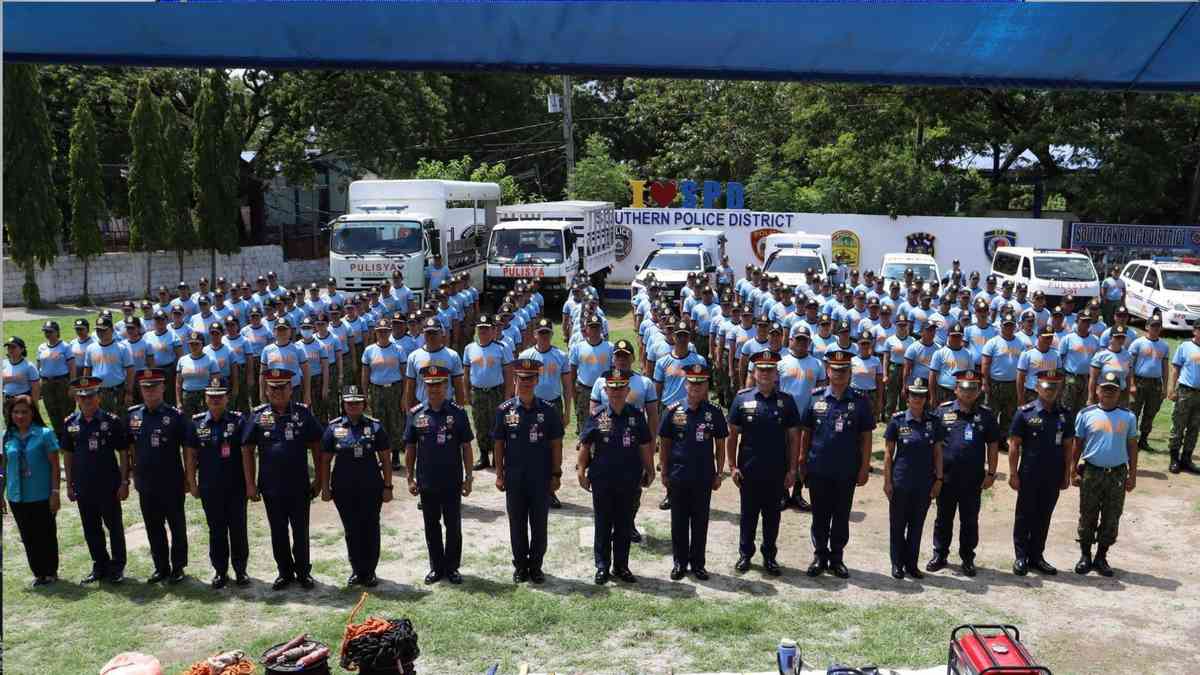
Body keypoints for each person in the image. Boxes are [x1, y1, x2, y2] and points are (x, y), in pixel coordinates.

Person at [241, 369, 323, 590]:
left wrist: (320, 479)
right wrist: (250, 483)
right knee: (278, 531)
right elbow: (247, 448)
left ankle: (304, 572)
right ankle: (284, 572)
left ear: (290, 390)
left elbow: (317, 444)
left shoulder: (303, 414)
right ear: (266, 391)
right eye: (273, 388)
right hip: (271, 486)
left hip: (299, 485)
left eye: (282, 387)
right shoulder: (258, 415)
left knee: (300, 531)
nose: (277, 392)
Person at [797, 350, 875, 578]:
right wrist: (802, 460)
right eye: (835, 370)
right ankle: (820, 555)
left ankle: (837, 557)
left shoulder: (860, 401)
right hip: (819, 467)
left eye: (844, 370)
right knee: (819, 514)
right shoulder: (815, 397)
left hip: (846, 469)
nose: (839, 374)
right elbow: (806, 432)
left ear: (850, 373)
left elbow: (866, 437)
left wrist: (864, 467)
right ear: (828, 371)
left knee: (841, 514)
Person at [578, 368, 654, 585]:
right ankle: (602, 566)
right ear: (606, 389)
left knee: (623, 524)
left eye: (621, 388)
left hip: (628, 478)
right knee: (602, 523)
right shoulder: (597, 415)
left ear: (627, 389)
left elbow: (644, 446)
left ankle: (621, 566)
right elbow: (586, 444)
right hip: (602, 478)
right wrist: (581, 470)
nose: (617, 392)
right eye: (613, 388)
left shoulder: (636, 416)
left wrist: (649, 470)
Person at [727, 351, 800, 576]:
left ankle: (769, 556)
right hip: (748, 471)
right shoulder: (742, 399)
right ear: (755, 373)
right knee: (748, 516)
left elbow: (794, 437)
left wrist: (792, 470)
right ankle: (745, 554)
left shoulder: (786, 402)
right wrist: (732, 467)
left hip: (776, 471)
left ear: (776, 373)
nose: (766, 374)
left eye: (770, 369)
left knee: (772, 517)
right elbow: (732, 436)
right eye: (761, 369)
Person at [493, 359, 565, 584]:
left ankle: (536, 566)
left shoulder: (548, 410)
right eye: (521, 379)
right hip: (514, 477)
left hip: (540, 477)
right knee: (517, 523)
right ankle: (520, 566)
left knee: (539, 524)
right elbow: (498, 444)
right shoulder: (504, 411)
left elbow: (556, 444)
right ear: (515, 380)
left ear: (537, 380)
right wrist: (499, 474)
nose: (525, 383)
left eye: (530, 378)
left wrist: (556, 474)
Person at [404, 365, 475, 585]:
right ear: (425, 386)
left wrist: (469, 477)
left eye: (439, 385)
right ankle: (436, 567)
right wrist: (409, 477)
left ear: (446, 386)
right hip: (427, 480)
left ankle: (452, 567)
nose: (434, 389)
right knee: (431, 526)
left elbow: (466, 446)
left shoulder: (457, 413)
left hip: (452, 479)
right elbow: (410, 447)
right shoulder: (416, 414)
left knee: (453, 526)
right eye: (430, 385)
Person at [319, 386, 393, 588]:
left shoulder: (375, 427)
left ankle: (369, 571)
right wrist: (325, 487)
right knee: (351, 529)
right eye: (349, 402)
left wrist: (388, 486)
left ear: (364, 404)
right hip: (344, 489)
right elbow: (325, 460)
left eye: (357, 402)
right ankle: (356, 570)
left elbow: (385, 459)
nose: (353, 405)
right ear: (343, 404)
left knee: (370, 527)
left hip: (371, 488)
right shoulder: (333, 428)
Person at [927, 370, 1000, 577]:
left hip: (973, 479)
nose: (968, 393)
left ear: (978, 392)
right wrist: (935, 473)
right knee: (943, 518)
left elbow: (993, 445)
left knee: (969, 520)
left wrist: (991, 473)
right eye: (964, 388)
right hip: (947, 477)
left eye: (973, 389)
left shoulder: (986, 415)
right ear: (955, 389)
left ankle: (967, 558)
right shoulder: (942, 412)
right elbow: (935, 445)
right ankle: (940, 554)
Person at [658, 364, 727, 581]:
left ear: (706, 386)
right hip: (678, 476)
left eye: (700, 384)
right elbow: (665, 444)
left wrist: (718, 473)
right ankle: (679, 563)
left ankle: (698, 563)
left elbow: (720, 445)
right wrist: (664, 473)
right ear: (685, 384)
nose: (695, 388)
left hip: (703, 477)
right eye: (692, 383)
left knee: (700, 522)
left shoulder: (713, 413)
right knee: (678, 522)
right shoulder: (673, 411)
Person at [184, 376, 251, 589]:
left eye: (219, 396)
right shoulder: (197, 423)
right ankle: (220, 571)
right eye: (211, 396)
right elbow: (191, 454)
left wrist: (250, 483)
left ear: (227, 398)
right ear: (205, 398)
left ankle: (241, 571)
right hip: (209, 487)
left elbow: (247, 453)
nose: (215, 400)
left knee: (238, 529)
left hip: (235, 486)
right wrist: (191, 482)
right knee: (216, 530)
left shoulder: (239, 421)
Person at [63, 376, 129, 584]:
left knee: (114, 527)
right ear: (77, 400)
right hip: (83, 486)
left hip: (108, 484)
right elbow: (68, 454)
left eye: (91, 396)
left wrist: (124, 481)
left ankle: (117, 567)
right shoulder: (70, 424)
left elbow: (123, 452)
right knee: (91, 528)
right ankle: (99, 565)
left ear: (98, 398)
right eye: (82, 397)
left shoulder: (111, 421)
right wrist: (69, 484)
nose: (87, 401)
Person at [1071, 372, 1138, 578]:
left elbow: (1132, 446)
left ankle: (1101, 557)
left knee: (1111, 516)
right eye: (1105, 388)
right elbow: (1077, 444)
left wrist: (1132, 475)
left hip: (1117, 474)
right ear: (1097, 390)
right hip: (1092, 471)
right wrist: (1073, 469)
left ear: (1119, 393)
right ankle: (1085, 556)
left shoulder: (1128, 417)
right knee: (1088, 513)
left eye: (1113, 389)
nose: (1108, 392)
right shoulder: (1086, 414)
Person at [1008, 370, 1074, 576]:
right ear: (1037, 388)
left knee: (1044, 516)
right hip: (1029, 473)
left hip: (1053, 475)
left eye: (1054, 387)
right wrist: (1013, 473)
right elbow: (1014, 446)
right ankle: (1020, 557)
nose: (1050, 391)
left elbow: (1068, 446)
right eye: (1046, 387)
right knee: (1024, 515)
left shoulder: (1064, 415)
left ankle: (1036, 556)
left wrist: (1066, 475)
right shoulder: (1025, 413)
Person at [126, 369, 190, 584]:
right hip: (146, 482)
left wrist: (189, 478)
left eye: (154, 386)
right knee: (153, 526)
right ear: (140, 390)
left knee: (177, 525)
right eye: (146, 387)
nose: (150, 391)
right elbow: (128, 447)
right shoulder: (133, 415)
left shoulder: (175, 416)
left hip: (171, 480)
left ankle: (178, 566)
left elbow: (188, 448)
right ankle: (160, 566)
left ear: (163, 387)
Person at [882, 377, 944, 580]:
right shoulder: (897, 421)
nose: (917, 399)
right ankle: (897, 564)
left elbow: (937, 453)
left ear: (926, 398)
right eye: (913, 395)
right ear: (907, 397)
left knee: (917, 526)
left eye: (921, 395)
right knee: (898, 525)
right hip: (901, 482)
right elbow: (888, 454)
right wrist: (887, 481)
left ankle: (912, 564)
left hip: (924, 483)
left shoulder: (933, 422)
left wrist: (939, 480)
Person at [2, 395, 61, 586]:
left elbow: (54, 465)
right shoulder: (6, 436)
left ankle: (50, 571)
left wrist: (55, 492)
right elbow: (2, 468)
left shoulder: (44, 434)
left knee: (45, 534)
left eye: (24, 412)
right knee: (27, 536)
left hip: (41, 494)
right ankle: (38, 573)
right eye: (16, 412)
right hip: (16, 495)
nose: (20, 416)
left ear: (32, 413)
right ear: (10, 414)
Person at [464, 315, 513, 471]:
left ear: (493, 330)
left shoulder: (501, 348)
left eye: (486, 328)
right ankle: (484, 456)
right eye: (480, 328)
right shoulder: (469, 348)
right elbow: (466, 373)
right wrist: (466, 393)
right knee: (480, 424)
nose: (483, 331)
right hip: (477, 392)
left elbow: (508, 373)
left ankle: (499, 457)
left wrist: (507, 395)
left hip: (496, 392)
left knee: (498, 424)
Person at [980, 312, 1024, 447]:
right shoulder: (993, 342)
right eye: (1006, 325)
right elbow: (985, 364)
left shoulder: (1019, 342)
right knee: (992, 413)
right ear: (1001, 326)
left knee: (1009, 414)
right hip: (995, 383)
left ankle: (1003, 439)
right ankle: (989, 439)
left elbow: (1022, 365)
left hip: (1012, 384)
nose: (1009, 328)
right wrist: (985, 382)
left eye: (1011, 325)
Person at [568, 315, 614, 435]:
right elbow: (572, 372)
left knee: (604, 420)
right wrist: (573, 391)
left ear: (601, 328)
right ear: (586, 329)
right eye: (591, 327)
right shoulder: (577, 347)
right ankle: (584, 443)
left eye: (597, 327)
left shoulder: (609, 347)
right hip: (584, 390)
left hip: (604, 391)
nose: (594, 330)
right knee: (583, 419)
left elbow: (614, 371)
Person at [1128, 318, 1168, 450]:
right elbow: (1130, 365)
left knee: (1150, 413)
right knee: (1133, 411)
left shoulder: (1164, 345)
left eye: (1158, 326)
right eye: (1153, 325)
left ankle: (1143, 440)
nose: (1156, 328)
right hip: (1139, 381)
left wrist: (1165, 386)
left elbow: (1165, 367)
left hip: (1155, 383)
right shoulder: (1138, 343)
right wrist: (1132, 383)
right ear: (1147, 326)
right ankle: (1130, 440)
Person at [83, 316, 135, 415]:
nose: (100, 333)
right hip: (98, 392)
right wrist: (86, 390)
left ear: (111, 330)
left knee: (120, 419)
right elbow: (87, 370)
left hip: (118, 391)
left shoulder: (122, 348)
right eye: (98, 330)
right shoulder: (90, 348)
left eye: (103, 330)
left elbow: (130, 371)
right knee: (100, 419)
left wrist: (129, 392)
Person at [1166, 323, 1200, 474]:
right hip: (1185, 392)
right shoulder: (1185, 346)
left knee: (1194, 428)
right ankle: (1174, 459)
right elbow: (1175, 368)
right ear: (1195, 330)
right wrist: (1171, 389)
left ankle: (1186, 459)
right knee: (1178, 426)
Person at [36, 321, 76, 444]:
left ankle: (71, 436)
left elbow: (72, 367)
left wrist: (72, 386)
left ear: (57, 332)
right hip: (46, 383)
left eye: (50, 331)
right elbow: (39, 367)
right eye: (45, 332)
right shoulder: (41, 347)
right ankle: (59, 436)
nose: (47, 334)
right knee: (52, 410)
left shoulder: (65, 346)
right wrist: (39, 386)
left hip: (62, 382)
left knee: (66, 410)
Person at [176, 334, 219, 417]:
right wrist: (178, 401)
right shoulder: (182, 360)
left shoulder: (211, 360)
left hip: (204, 395)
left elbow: (215, 383)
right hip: (187, 396)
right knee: (188, 422)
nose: (194, 346)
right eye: (191, 344)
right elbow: (178, 383)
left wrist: (214, 400)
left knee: (204, 422)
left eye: (197, 344)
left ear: (202, 344)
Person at [4, 336, 41, 405]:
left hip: (23, 401)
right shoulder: (4, 363)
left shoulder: (29, 366)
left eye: (13, 347)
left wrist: (35, 405)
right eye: (8, 347)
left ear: (22, 349)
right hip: (7, 400)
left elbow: (36, 388)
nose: (10, 349)